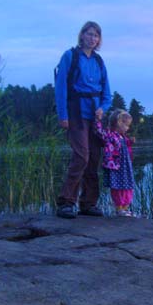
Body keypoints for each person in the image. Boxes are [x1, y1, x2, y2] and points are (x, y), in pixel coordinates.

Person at [54, 21, 112, 218]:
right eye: (89, 34)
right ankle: (66, 202)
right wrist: (63, 115)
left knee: (94, 158)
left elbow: (107, 93)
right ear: (82, 36)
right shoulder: (70, 56)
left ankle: (88, 203)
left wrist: (103, 109)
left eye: (96, 35)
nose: (92, 38)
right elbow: (61, 87)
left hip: (95, 117)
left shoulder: (99, 61)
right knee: (82, 156)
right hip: (76, 113)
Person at [98, 109, 136, 217]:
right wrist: (98, 120)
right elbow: (100, 132)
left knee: (127, 185)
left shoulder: (122, 137)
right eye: (127, 125)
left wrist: (130, 142)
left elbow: (123, 146)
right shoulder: (111, 135)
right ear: (119, 123)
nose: (128, 128)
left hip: (125, 166)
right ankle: (119, 208)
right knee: (118, 186)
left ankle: (125, 207)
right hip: (116, 166)